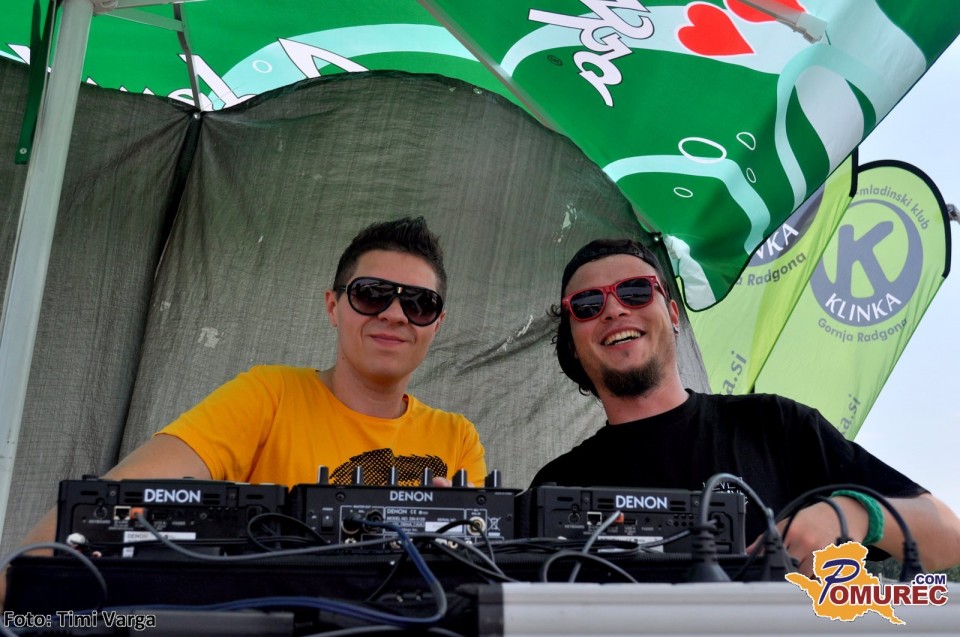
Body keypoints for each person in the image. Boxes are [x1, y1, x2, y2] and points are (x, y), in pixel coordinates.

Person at [16, 215, 486, 548]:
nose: (395, 314)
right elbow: (104, 508)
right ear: (333, 306)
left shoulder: (457, 438)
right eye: (372, 294)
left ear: (437, 324)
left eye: (419, 304)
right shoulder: (269, 395)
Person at [530, 237, 960, 575]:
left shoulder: (773, 425)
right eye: (587, 305)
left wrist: (853, 513)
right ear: (572, 344)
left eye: (636, 291)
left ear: (674, 314)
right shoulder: (555, 487)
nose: (613, 310)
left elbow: (948, 537)